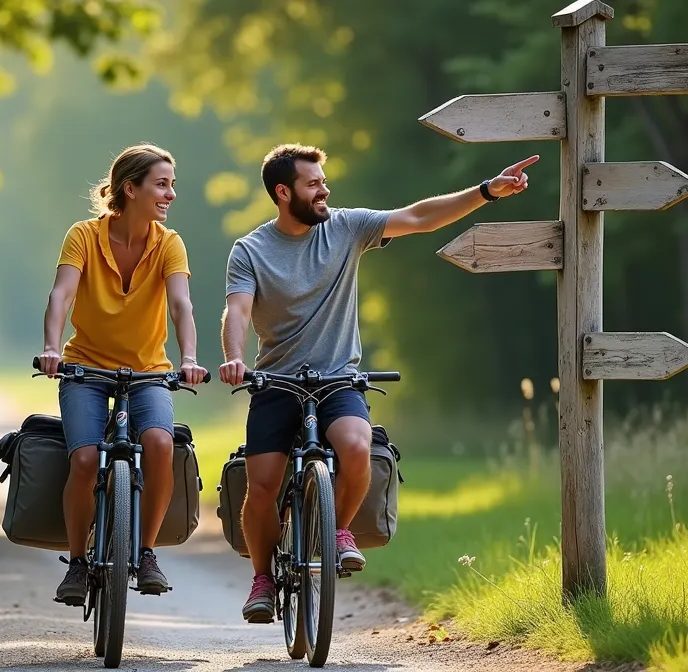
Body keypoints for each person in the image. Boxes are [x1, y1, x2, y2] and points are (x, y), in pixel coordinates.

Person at [218, 143, 537, 623]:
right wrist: (234, 359)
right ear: (283, 193)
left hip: (338, 378)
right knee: (261, 485)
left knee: (357, 444)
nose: (324, 190)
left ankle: (339, 530)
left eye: (324, 181)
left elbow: (418, 217)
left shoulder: (346, 227)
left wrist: (487, 191)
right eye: (313, 184)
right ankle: (263, 579)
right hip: (276, 381)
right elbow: (238, 309)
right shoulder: (251, 250)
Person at [36, 143, 209, 606]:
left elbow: (180, 305)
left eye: (172, 185)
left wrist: (189, 358)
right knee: (86, 458)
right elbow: (61, 296)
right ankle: (76, 562)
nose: (171, 194)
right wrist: (52, 349)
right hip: (85, 368)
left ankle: (147, 552)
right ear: (129, 188)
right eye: (162, 184)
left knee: (158, 444)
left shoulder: (169, 243)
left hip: (148, 371)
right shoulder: (84, 235)